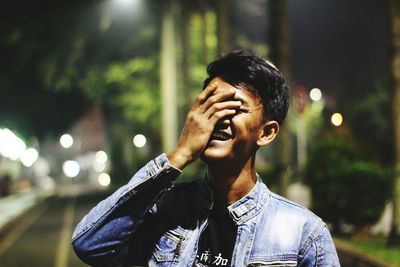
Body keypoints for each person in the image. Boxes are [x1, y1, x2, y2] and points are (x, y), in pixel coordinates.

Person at [71, 50, 340, 266]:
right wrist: (180, 154)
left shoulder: (303, 234)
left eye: (233, 108)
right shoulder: (164, 210)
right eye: (210, 104)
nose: (218, 118)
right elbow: (90, 245)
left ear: (267, 132)